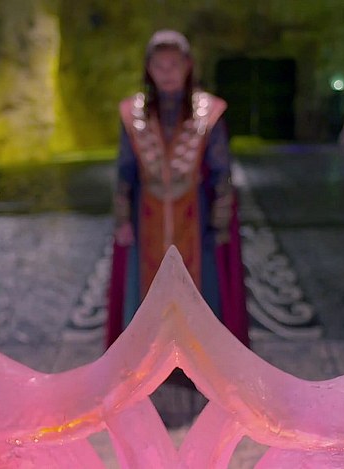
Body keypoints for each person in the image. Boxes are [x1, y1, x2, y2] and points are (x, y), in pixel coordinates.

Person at [106, 30, 248, 348]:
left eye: (174, 65)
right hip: (147, 218)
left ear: (187, 66)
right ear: (149, 69)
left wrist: (220, 225)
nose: (167, 73)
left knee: (201, 292)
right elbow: (125, 171)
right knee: (145, 295)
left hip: (196, 219)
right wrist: (123, 219)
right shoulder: (133, 112)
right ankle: (148, 359)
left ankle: (198, 359)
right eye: (160, 66)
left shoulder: (209, 111)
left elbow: (221, 173)